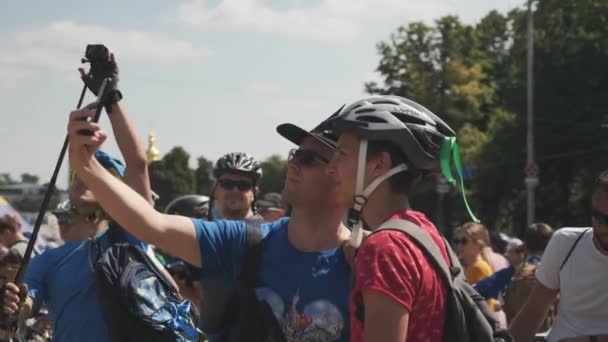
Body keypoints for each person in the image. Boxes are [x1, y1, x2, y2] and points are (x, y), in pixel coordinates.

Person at [62, 107, 353, 341]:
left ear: (343, 173)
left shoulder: (365, 261)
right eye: (295, 154)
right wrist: (86, 166)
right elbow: (152, 224)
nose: (293, 164)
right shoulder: (248, 241)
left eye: (309, 158)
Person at [2, 51, 157, 342]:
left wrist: (111, 98)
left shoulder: (132, 238)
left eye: (101, 171)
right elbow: (27, 306)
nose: (86, 174)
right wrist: (11, 306)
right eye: (84, 169)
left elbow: (137, 164)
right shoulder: (49, 260)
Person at [325, 95, 457, 341]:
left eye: (341, 153)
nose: (330, 167)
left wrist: (374, 256)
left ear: (379, 165)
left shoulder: (384, 249)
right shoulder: (423, 232)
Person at [509, 171, 608, 341]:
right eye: (595, 215)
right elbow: (533, 311)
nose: (598, 225)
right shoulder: (566, 242)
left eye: (606, 219)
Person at [208, 152, 263, 221]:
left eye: (243, 185)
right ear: (215, 190)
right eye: (227, 184)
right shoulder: (199, 230)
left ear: (255, 193)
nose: (235, 190)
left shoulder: (268, 231)